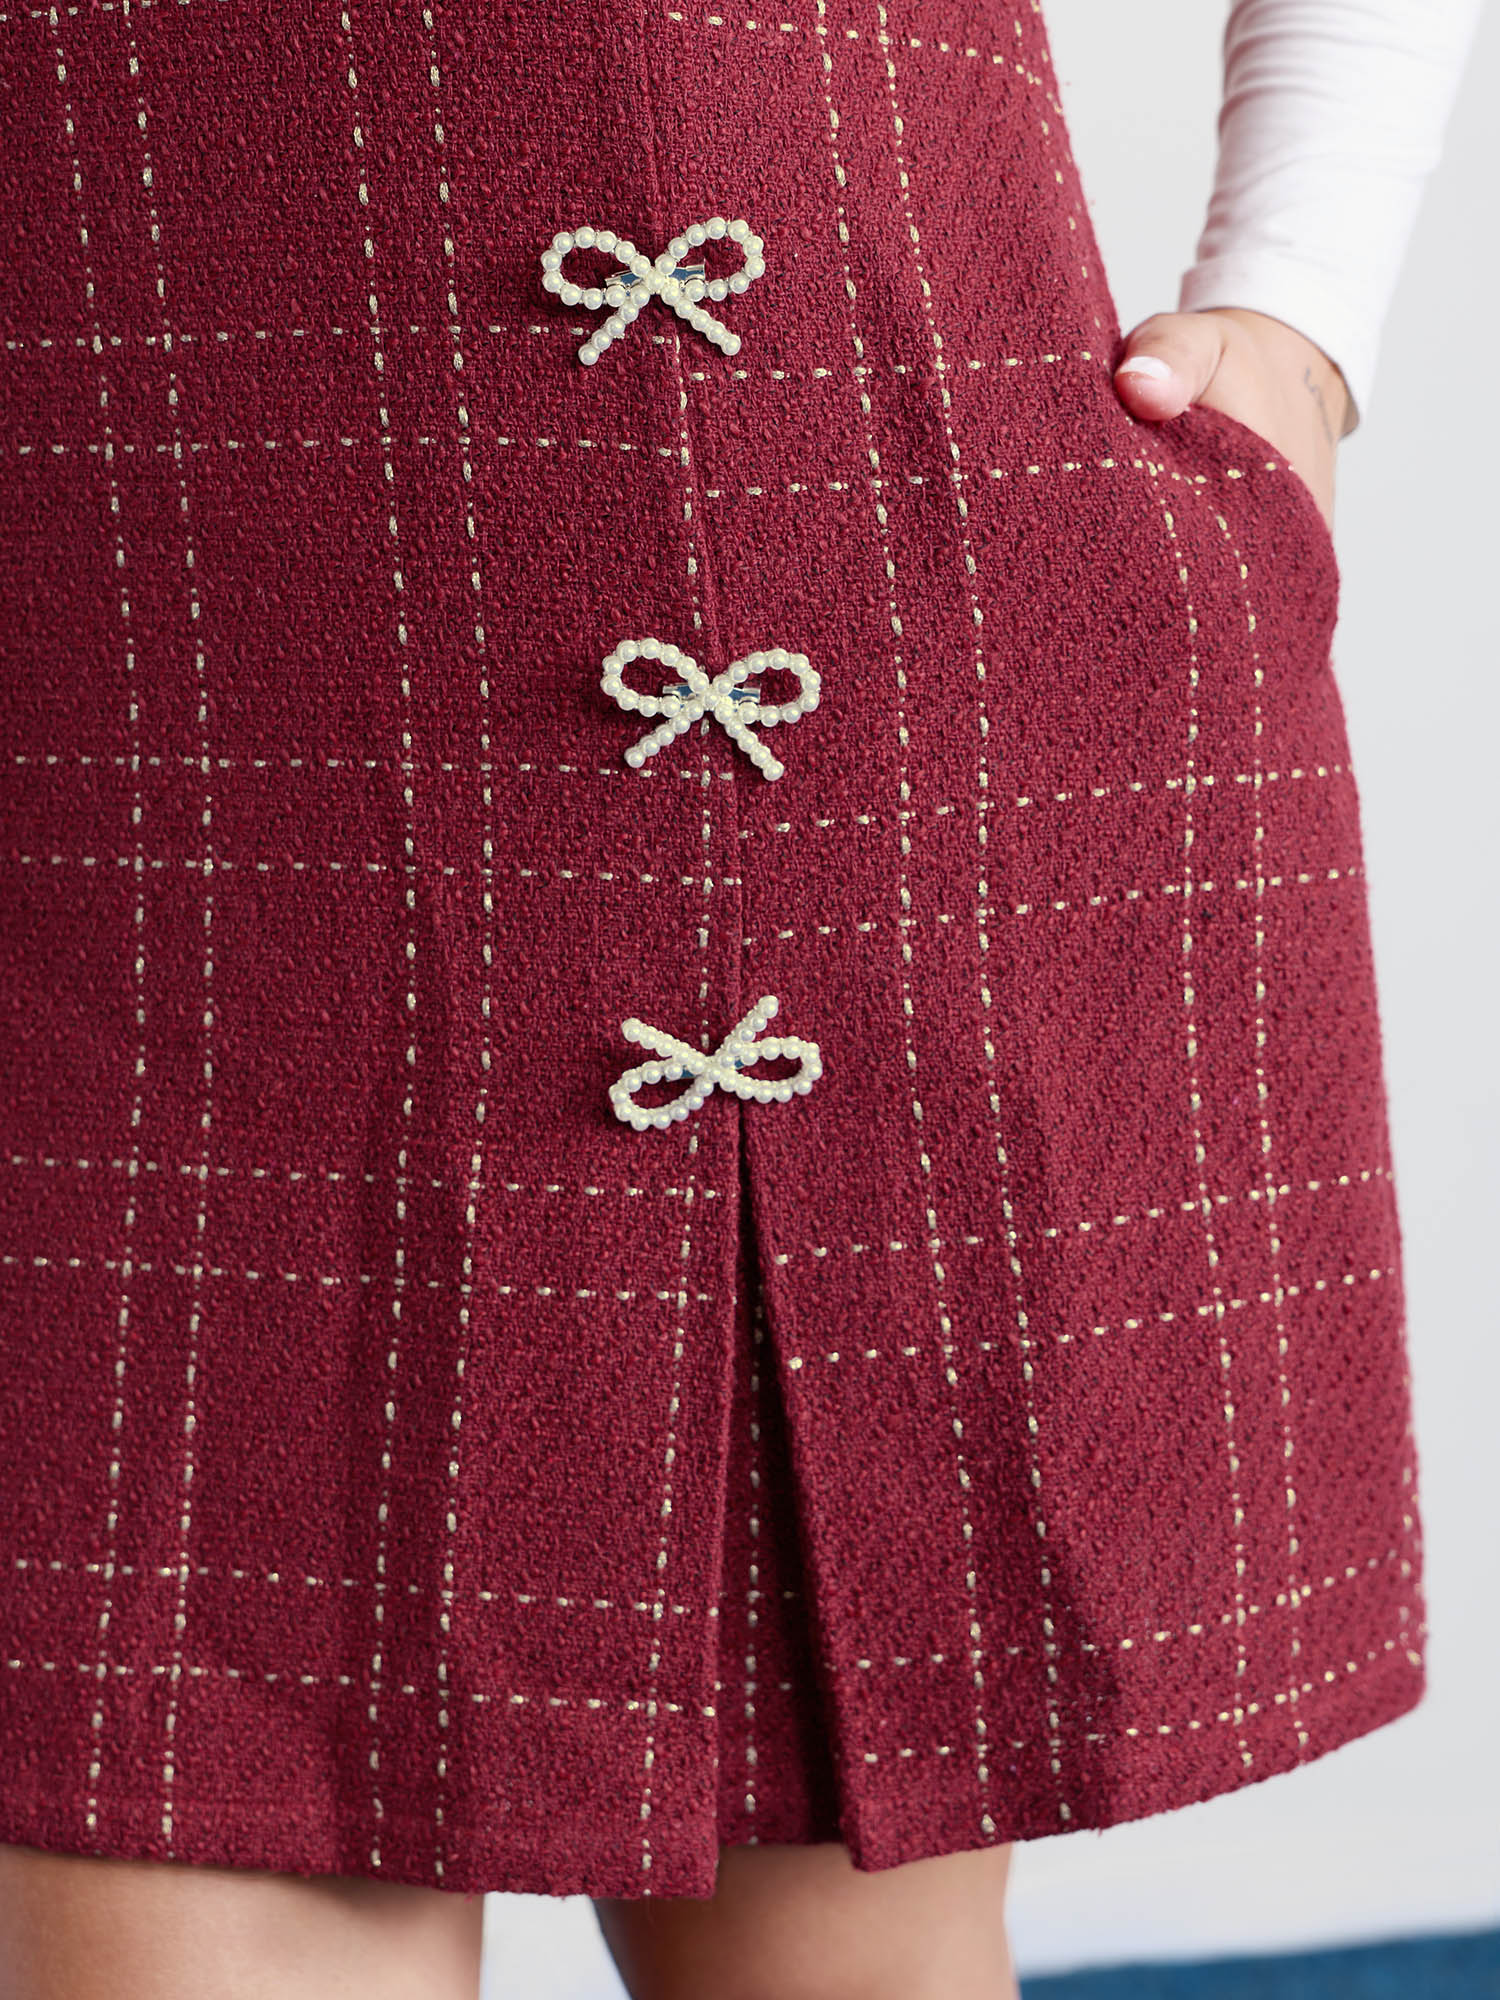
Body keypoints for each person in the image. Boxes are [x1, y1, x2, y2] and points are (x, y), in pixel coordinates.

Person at [0, 1, 1481, 1995]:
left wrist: (1300, 298)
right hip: (141, 631)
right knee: (179, 1819)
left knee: (848, 1927)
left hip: (864, 545)